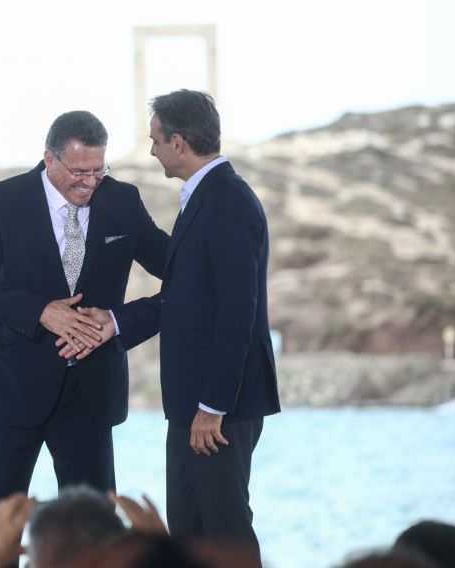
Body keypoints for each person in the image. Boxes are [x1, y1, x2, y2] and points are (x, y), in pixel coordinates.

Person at [0, 110, 169, 561]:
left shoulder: (123, 201)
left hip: (90, 393)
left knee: (97, 537)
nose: (89, 182)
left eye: (98, 170)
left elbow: (180, 271)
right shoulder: (1, 201)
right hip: (13, 389)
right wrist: (41, 312)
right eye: (78, 172)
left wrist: (119, 321)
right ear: (49, 158)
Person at [109, 89, 280, 556]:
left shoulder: (227, 201)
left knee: (225, 535)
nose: (151, 150)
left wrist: (213, 406)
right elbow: (187, 296)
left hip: (218, 409)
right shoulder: (204, 197)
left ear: (179, 143)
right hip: (193, 406)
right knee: (189, 533)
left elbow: (237, 311)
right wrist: (116, 323)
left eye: (155, 140)